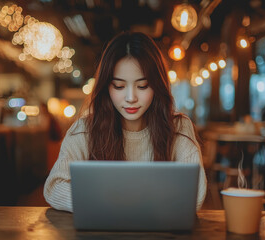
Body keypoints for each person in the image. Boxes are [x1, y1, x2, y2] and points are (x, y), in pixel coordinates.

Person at [44, 31, 207, 212]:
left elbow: (195, 194)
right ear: (107, 86)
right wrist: (131, 202)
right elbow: (54, 187)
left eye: (142, 86)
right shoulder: (85, 129)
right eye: (119, 86)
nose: (131, 97)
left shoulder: (178, 127)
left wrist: (111, 200)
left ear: (157, 85)